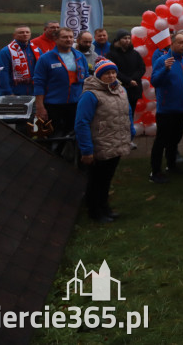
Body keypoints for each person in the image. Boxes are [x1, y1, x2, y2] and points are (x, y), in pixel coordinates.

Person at [75, 60, 134, 223]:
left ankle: (104, 206)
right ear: (99, 75)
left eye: (114, 72)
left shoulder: (120, 89)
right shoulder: (90, 95)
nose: (111, 76)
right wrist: (86, 150)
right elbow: (82, 122)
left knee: (107, 178)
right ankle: (95, 211)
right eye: (107, 73)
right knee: (96, 180)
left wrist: (131, 131)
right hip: (99, 143)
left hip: (116, 141)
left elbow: (127, 112)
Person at [149, 33, 183, 184]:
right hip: (166, 109)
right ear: (172, 44)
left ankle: (171, 165)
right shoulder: (162, 61)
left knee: (175, 140)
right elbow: (155, 82)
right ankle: (155, 172)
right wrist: (165, 69)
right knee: (161, 141)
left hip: (182, 109)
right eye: (180, 42)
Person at [107, 29, 147, 139]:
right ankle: (118, 137)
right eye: (124, 38)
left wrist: (133, 79)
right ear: (118, 40)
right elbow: (113, 71)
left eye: (129, 38)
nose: (127, 40)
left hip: (134, 88)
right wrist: (127, 80)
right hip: (118, 89)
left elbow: (141, 68)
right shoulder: (111, 55)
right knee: (118, 114)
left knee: (131, 113)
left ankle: (129, 138)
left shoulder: (135, 54)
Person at [0, 25, 40, 96]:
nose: (25, 34)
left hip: (34, 91)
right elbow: (2, 73)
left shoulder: (37, 50)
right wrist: (7, 92)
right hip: (14, 91)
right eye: (21, 32)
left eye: (27, 32)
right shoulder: (6, 51)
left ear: (30, 34)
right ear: (14, 35)